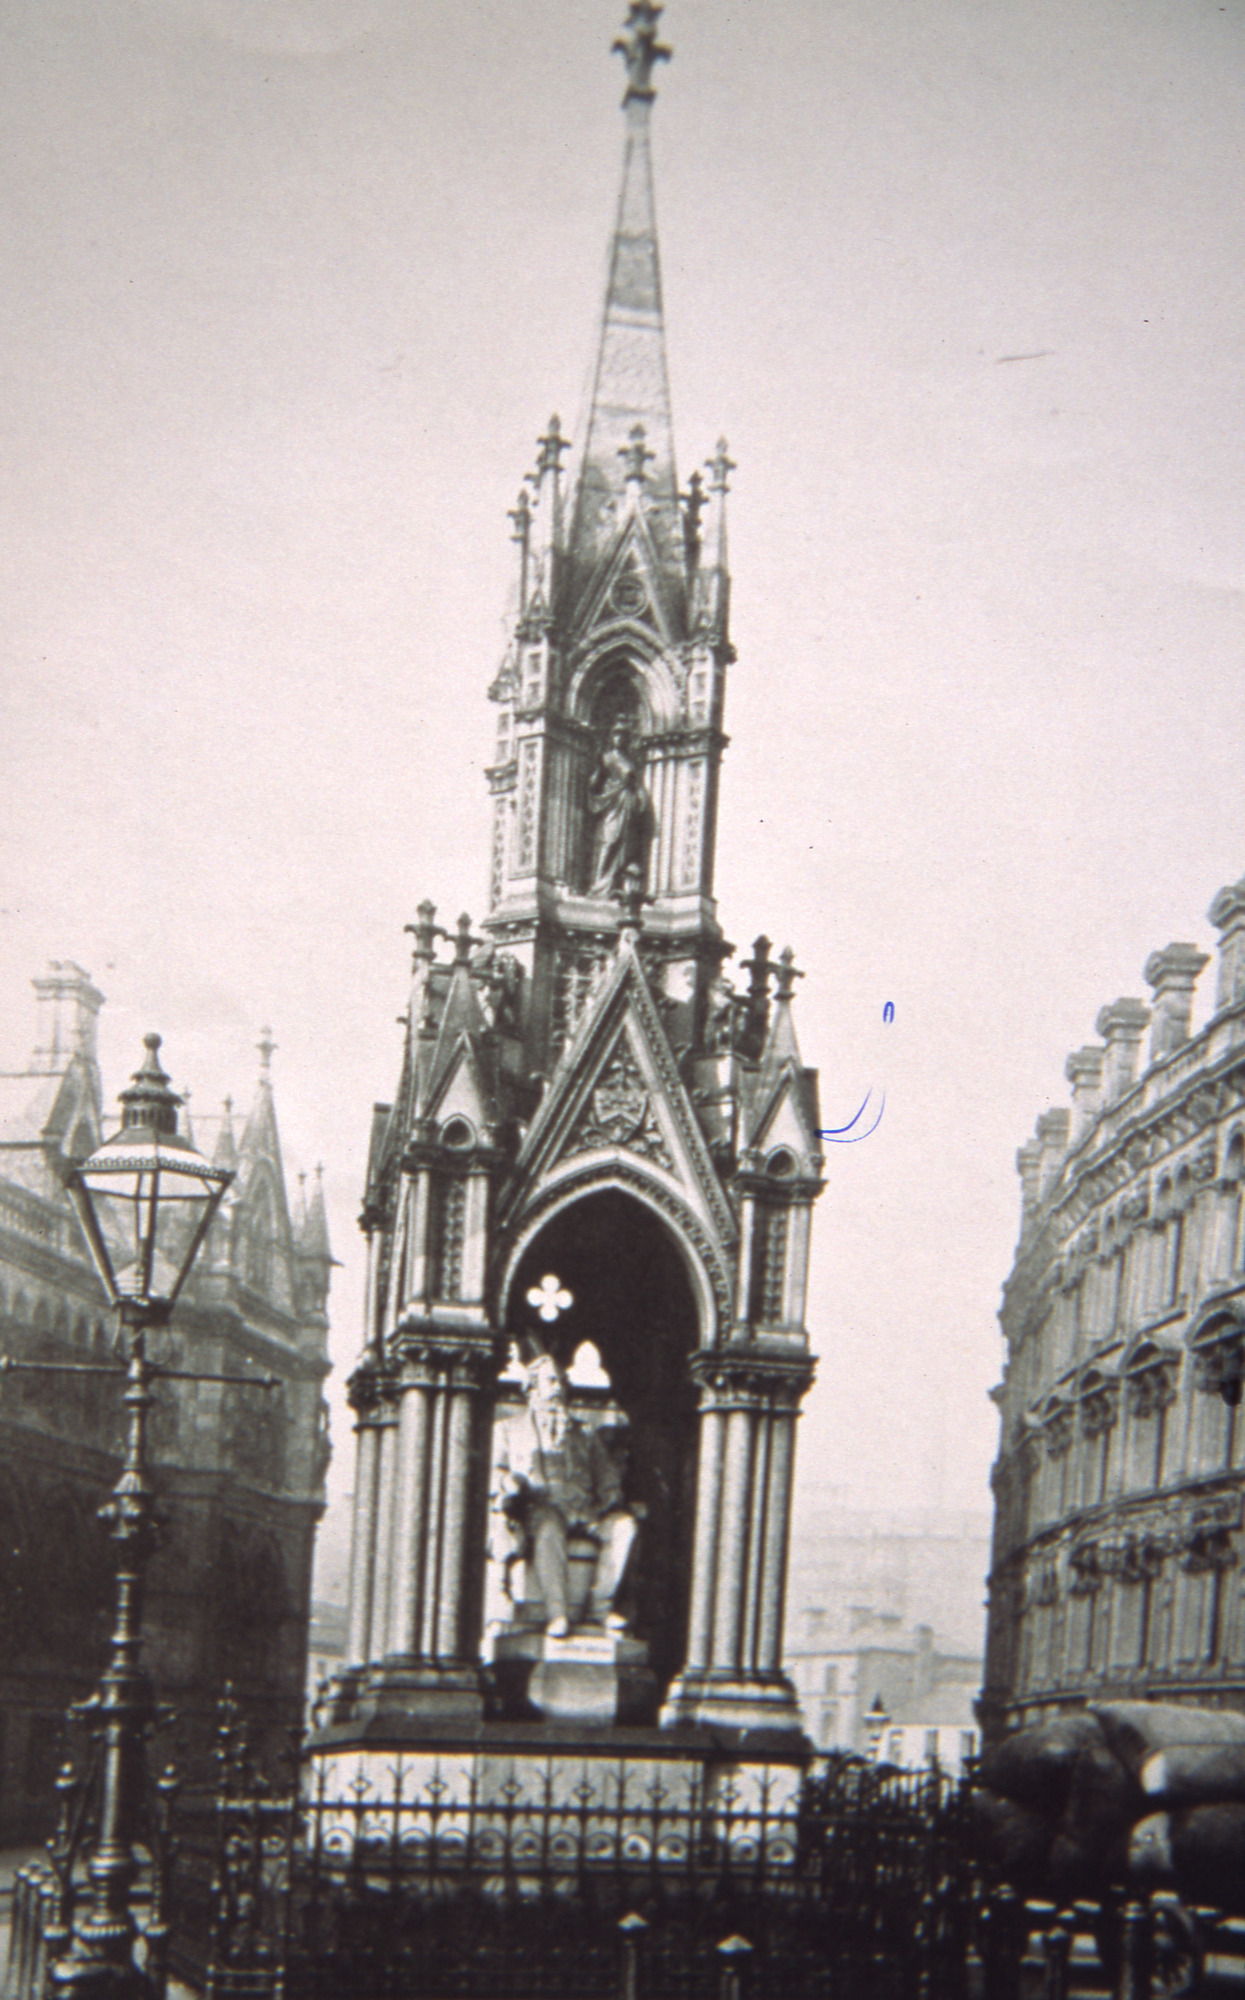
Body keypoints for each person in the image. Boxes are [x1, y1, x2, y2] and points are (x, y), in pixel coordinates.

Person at [494, 1352, 637, 1638]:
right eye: (550, 1381)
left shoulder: (584, 1432)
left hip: (586, 1512)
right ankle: (557, 1613)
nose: (558, 1388)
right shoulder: (507, 1429)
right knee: (548, 1530)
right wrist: (509, 1483)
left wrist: (608, 1502)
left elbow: (607, 1478)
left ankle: (600, 1608)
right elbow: (496, 1472)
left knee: (624, 1527)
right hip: (540, 1509)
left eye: (561, 1381)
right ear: (532, 1388)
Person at [586, 717, 651, 898]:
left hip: (628, 804)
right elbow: (595, 783)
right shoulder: (606, 758)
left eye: (623, 735)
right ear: (611, 736)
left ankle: (616, 884)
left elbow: (636, 784)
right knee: (609, 842)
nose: (620, 738)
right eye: (617, 734)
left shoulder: (631, 761)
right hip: (614, 804)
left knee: (626, 846)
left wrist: (641, 798)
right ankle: (600, 885)